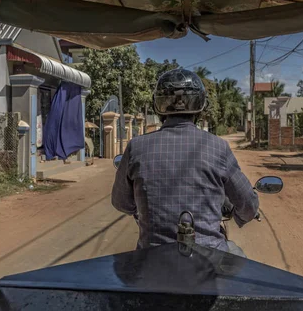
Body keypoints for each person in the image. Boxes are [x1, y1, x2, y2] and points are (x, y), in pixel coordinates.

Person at [111, 68, 259, 257]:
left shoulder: (136, 147)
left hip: (151, 259)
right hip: (209, 259)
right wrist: (242, 214)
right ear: (200, 104)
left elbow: (121, 202)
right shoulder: (218, 147)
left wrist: (143, 210)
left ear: (159, 104)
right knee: (239, 262)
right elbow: (248, 205)